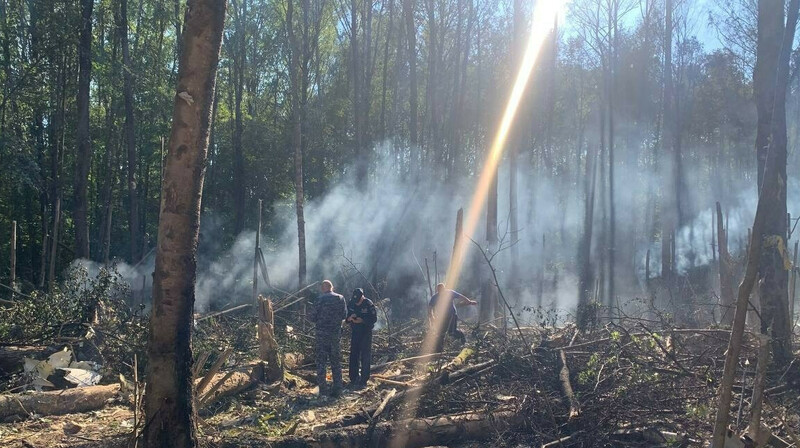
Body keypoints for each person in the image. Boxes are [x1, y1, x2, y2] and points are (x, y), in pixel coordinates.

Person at [311, 279, 347, 398]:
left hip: (321, 335)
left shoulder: (319, 299)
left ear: (323, 288)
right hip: (335, 335)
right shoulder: (340, 298)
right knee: (335, 362)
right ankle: (338, 389)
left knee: (321, 363)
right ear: (332, 287)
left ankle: (323, 391)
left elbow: (312, 317)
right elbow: (344, 315)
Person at [346, 288, 377, 389]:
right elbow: (345, 317)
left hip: (366, 333)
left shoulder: (368, 304)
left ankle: (364, 379)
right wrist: (350, 318)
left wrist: (362, 320)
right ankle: (353, 378)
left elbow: (374, 319)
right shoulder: (351, 303)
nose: (357, 302)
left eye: (358, 300)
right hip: (355, 332)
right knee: (354, 355)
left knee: (365, 356)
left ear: (362, 296)